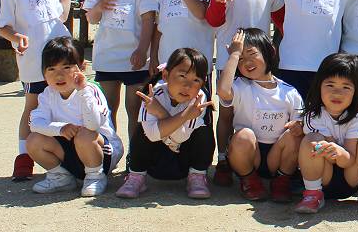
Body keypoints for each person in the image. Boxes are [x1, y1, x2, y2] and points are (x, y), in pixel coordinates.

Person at [204, 0, 279, 186]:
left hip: (260, 63)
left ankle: (251, 160)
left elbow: (280, 19)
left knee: (257, 111)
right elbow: (213, 21)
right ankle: (223, 159)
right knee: (226, 113)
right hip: (229, 62)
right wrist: (218, 2)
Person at [0, 0, 72, 181]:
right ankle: (24, 158)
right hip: (34, 63)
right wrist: (16, 37)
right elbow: (3, 25)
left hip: (61, 62)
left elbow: (62, 16)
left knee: (64, 106)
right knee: (32, 107)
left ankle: (67, 157)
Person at [295, 53, 358, 213]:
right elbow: (325, 156)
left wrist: (339, 152)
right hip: (323, 178)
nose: (337, 93)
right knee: (311, 140)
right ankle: (312, 194)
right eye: (330, 85)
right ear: (319, 86)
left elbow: (349, 160)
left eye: (346, 87)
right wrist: (330, 151)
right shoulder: (314, 116)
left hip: (351, 176)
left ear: (355, 91)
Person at [83, 0, 157, 140]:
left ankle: (135, 154)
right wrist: (98, 7)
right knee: (106, 109)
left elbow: (148, 20)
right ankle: (110, 149)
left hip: (135, 58)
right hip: (107, 56)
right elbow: (91, 18)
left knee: (135, 109)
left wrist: (142, 50)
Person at [26, 36, 123, 196]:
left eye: (66, 67)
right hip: (69, 152)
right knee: (33, 140)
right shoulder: (47, 94)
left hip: (101, 153)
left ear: (82, 67)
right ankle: (61, 177)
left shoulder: (90, 91)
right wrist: (61, 128)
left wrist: (83, 91)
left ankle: (95, 176)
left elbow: (93, 124)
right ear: (43, 73)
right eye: (51, 69)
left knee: (84, 134)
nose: (59, 75)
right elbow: (35, 123)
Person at [217, 28, 304, 203]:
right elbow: (223, 91)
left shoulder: (289, 92)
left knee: (294, 136)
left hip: (277, 156)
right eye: (241, 59)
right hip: (249, 155)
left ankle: (282, 180)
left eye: (251, 54)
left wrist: (298, 127)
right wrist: (234, 54)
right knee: (243, 136)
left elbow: (301, 122)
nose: (247, 62)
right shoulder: (240, 86)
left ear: (270, 51)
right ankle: (249, 180)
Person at [116, 48, 215, 199]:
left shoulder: (199, 98)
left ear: (203, 83)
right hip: (155, 160)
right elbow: (152, 135)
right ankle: (136, 176)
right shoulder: (153, 94)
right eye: (182, 76)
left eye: (196, 80)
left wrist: (161, 113)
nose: (187, 86)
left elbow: (181, 137)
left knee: (204, 130)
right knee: (142, 129)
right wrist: (184, 116)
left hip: (184, 160)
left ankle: (197, 176)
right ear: (166, 75)